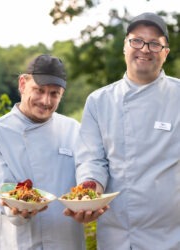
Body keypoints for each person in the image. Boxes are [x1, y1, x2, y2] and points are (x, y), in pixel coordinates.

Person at [67, 12, 180, 250]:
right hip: (117, 235)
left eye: (154, 43)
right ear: (125, 47)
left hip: (171, 236)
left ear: (166, 53)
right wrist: (89, 196)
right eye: (137, 41)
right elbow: (92, 160)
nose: (145, 49)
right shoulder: (99, 101)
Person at [0, 54, 105, 250]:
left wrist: (90, 198)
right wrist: (17, 209)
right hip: (18, 243)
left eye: (54, 93)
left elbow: (89, 170)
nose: (46, 100)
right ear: (22, 84)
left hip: (66, 242)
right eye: (39, 90)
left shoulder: (73, 129)